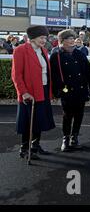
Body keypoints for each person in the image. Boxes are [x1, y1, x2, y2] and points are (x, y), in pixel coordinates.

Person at [12, 25, 55, 159]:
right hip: (29, 92)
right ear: (33, 38)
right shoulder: (20, 50)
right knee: (27, 121)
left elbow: (46, 71)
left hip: (43, 89)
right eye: (41, 38)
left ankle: (35, 146)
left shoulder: (43, 50)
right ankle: (24, 148)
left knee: (39, 120)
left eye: (45, 38)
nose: (44, 40)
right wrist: (23, 92)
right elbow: (16, 75)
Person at [50, 29, 90, 151]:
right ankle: (65, 138)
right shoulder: (56, 55)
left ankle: (74, 137)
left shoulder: (80, 54)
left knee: (79, 114)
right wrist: (57, 91)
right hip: (66, 91)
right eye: (69, 39)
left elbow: (88, 71)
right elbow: (53, 76)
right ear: (62, 41)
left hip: (80, 90)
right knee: (67, 115)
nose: (72, 41)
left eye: (72, 38)